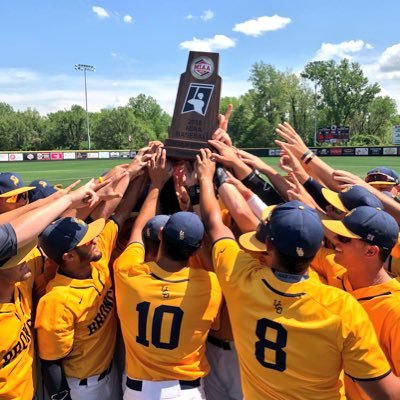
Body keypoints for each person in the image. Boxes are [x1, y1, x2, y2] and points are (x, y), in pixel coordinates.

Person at [197, 147, 400, 400]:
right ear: (317, 247)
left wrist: (209, 178)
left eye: (344, 238)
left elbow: (219, 225)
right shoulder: (341, 306)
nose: (336, 239)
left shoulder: (242, 279)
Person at [114, 148, 222, 400]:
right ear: (196, 249)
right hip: (186, 391)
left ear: (161, 235)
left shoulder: (129, 274)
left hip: (138, 390)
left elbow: (139, 231)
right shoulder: (210, 284)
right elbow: (210, 259)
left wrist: (155, 183)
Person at [0, 184, 99, 400]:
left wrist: (68, 200)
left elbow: (58, 236)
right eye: (18, 259)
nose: (25, 259)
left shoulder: (20, 283)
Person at [317, 206, 400, 399]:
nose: (335, 240)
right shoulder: (338, 271)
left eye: (345, 239)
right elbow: (299, 255)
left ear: (371, 251)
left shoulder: (394, 311)